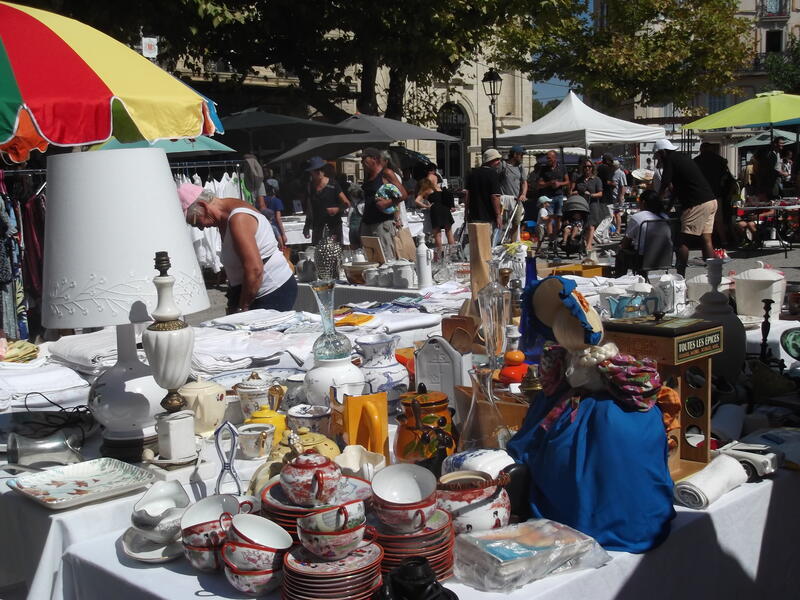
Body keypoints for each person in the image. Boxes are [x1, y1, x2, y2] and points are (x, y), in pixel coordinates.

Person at [179, 183, 297, 313]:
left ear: (203, 206)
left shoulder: (238, 219)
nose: (200, 228)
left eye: (195, 222)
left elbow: (255, 269)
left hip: (271, 289)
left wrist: (242, 307)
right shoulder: (227, 215)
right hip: (255, 289)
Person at [655, 138, 716, 275]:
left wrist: (656, 202)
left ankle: (680, 274)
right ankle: (714, 273)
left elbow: (665, 183)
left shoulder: (670, 160)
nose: (657, 159)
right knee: (706, 239)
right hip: (710, 201)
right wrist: (667, 205)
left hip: (697, 203)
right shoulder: (681, 158)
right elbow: (676, 189)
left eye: (658, 155)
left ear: (663, 152)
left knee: (682, 241)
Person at [360, 147, 404, 260]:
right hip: (367, 222)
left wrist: (387, 203)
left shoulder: (386, 173)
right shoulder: (368, 176)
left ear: (374, 159)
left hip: (382, 223)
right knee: (370, 259)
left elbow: (403, 194)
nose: (361, 162)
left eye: (364, 159)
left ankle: (389, 277)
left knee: (386, 258)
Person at [615, 189, 671, 275]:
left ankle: (619, 281)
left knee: (621, 253)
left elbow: (625, 243)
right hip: (663, 257)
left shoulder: (638, 217)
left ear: (643, 203)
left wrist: (620, 247)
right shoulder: (665, 217)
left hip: (642, 260)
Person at [693, 142, 734, 247]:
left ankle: (704, 242)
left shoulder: (696, 161)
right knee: (718, 219)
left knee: (703, 219)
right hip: (716, 194)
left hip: (701, 195)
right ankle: (724, 241)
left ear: (701, 149)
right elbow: (726, 178)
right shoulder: (720, 161)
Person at [302, 156, 349, 245]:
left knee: (334, 254)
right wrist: (307, 226)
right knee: (319, 254)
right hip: (318, 227)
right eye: (316, 170)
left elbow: (346, 203)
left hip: (333, 226)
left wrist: (337, 209)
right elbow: (310, 209)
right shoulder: (309, 187)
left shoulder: (333, 184)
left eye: (321, 169)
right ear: (311, 172)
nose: (319, 172)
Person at [571, 159, 604, 251]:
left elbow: (600, 193)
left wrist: (591, 195)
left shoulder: (596, 179)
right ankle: (585, 241)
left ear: (592, 168)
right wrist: (574, 192)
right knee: (584, 226)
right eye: (585, 167)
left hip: (593, 204)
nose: (587, 168)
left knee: (591, 225)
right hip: (581, 204)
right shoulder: (579, 179)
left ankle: (589, 244)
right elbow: (575, 190)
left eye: (589, 166)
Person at [465, 148, 503, 229]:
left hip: (473, 216)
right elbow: (495, 197)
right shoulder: (493, 174)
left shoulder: (472, 173)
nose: (499, 162)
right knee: (487, 241)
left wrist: (466, 213)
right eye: (497, 159)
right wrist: (498, 215)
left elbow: (467, 195)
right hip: (488, 217)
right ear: (490, 160)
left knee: (475, 241)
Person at [538, 150, 570, 230]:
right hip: (548, 197)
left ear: (555, 158)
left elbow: (567, 181)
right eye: (547, 158)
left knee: (558, 217)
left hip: (559, 195)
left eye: (549, 158)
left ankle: (556, 236)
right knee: (550, 218)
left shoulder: (562, 167)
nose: (548, 160)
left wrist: (559, 184)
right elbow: (539, 184)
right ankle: (551, 239)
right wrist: (549, 183)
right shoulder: (544, 169)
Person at [500, 145, 528, 229]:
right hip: (504, 200)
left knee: (516, 223)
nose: (522, 157)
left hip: (517, 200)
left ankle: (513, 242)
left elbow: (524, 182)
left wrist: (523, 194)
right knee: (504, 224)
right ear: (515, 154)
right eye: (521, 155)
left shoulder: (520, 167)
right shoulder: (503, 165)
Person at [754, 136, 788, 202]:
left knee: (777, 198)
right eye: (781, 143)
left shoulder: (777, 153)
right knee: (773, 199)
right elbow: (770, 170)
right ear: (775, 144)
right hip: (772, 182)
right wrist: (782, 173)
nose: (782, 145)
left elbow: (775, 167)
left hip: (776, 180)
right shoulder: (772, 155)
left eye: (783, 143)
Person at [261, 183, 287, 248]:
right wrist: (283, 234)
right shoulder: (277, 201)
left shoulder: (262, 201)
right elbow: (278, 218)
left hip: (264, 228)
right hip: (275, 228)